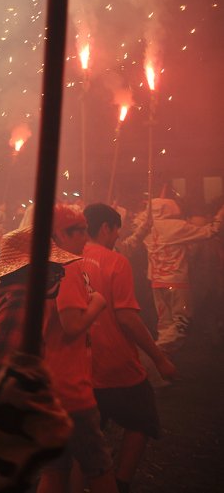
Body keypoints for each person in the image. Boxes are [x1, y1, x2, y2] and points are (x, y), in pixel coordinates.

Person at [83, 203, 176, 493]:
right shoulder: (115, 261)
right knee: (142, 418)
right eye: (115, 231)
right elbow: (126, 318)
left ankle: (91, 481)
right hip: (116, 364)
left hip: (80, 365)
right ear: (106, 228)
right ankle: (120, 483)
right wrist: (159, 358)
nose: (117, 238)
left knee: (88, 429)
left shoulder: (67, 258)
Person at [0, 225, 80, 418]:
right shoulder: (20, 301)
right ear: (33, 270)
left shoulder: (6, 293)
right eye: (53, 268)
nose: (60, 273)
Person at [38, 205, 117, 493]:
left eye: (85, 228)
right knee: (99, 468)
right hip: (70, 391)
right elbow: (72, 325)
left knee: (55, 469)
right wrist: (98, 301)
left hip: (49, 386)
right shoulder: (66, 268)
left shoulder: (47, 266)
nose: (84, 235)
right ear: (55, 235)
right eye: (75, 231)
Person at [142, 198, 224, 352]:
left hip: (157, 284)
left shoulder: (147, 227)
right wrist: (220, 215)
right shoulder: (176, 227)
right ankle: (157, 355)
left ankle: (163, 365)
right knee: (182, 323)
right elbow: (210, 231)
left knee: (165, 325)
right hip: (176, 284)